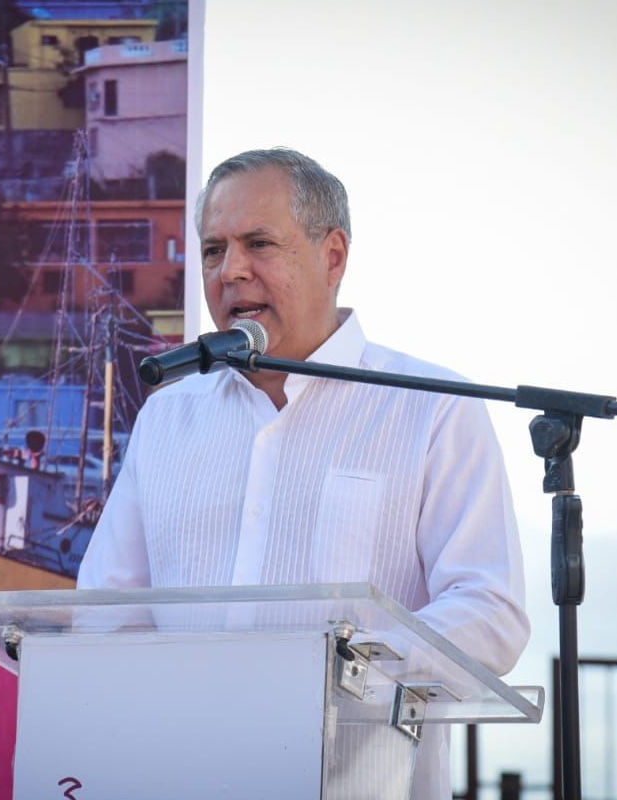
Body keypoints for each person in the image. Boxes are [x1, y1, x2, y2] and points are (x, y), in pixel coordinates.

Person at [77, 147, 529, 799]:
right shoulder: (167, 417)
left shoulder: (433, 407)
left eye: (258, 243)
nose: (231, 271)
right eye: (212, 250)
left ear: (333, 256)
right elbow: (104, 616)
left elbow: (491, 614)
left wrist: (333, 676)